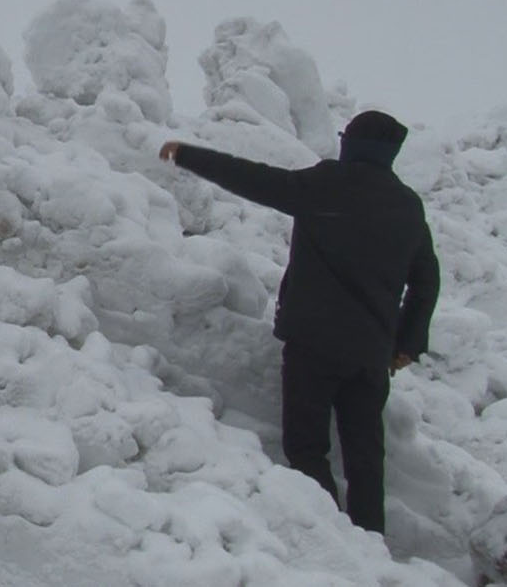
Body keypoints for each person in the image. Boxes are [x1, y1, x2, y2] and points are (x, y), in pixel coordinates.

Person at [159, 110, 440, 534]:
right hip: (370, 354)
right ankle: (370, 541)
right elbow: (426, 283)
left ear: (352, 144)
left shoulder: (326, 184)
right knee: (365, 458)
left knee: (307, 447)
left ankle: (334, 540)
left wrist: (189, 156)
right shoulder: (407, 206)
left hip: (315, 345)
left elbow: (254, 179)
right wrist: (406, 344)